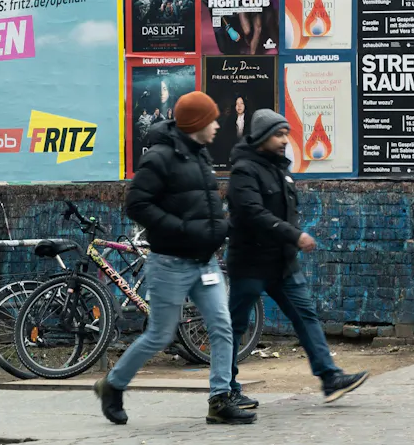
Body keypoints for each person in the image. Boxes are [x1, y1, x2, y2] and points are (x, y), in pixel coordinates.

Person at [96, 90, 250, 426]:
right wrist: (180, 229)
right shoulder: (161, 158)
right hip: (170, 262)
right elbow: (137, 204)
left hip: (204, 261)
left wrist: (221, 227)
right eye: (211, 120)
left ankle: (220, 399)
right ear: (196, 123)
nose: (216, 126)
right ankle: (113, 384)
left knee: (222, 326)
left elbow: (202, 204)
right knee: (161, 335)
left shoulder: (199, 156)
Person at [224, 109, 369, 410]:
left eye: (285, 133)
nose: (283, 140)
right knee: (235, 327)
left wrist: (289, 240)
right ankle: (227, 389)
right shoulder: (244, 170)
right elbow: (253, 213)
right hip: (250, 262)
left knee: (306, 317)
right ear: (262, 136)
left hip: (282, 264)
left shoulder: (279, 168)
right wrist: (294, 235)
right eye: (277, 134)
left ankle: (330, 378)